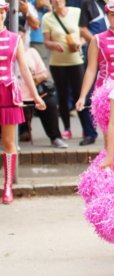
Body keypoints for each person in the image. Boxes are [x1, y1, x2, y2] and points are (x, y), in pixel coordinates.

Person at [0, 0, 46, 204]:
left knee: (10, 142)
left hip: (8, 93)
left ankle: (8, 186)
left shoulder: (14, 39)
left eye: (1, 11)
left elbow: (25, 70)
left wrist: (35, 96)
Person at [76, 0, 114, 145]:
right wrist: (82, 96)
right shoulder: (97, 39)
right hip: (105, 92)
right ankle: (110, 167)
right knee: (110, 139)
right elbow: (91, 69)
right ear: (107, 16)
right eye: (113, 15)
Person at [43, 0, 96, 145]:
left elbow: (84, 34)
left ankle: (87, 128)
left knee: (81, 94)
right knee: (63, 96)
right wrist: (53, 44)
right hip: (57, 62)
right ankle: (67, 128)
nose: (57, 2)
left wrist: (80, 42)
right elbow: (46, 41)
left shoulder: (76, 12)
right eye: (53, 0)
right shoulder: (47, 17)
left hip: (76, 60)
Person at [16, 26, 68, 149]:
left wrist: (33, 78)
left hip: (34, 92)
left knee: (50, 102)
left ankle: (55, 137)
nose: (19, 39)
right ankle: (13, 140)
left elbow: (45, 73)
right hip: (15, 94)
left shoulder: (31, 52)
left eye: (21, 36)